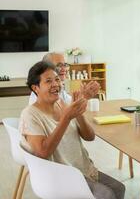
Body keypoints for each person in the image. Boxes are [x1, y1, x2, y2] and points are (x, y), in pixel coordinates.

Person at [20, 61, 125, 199]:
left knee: (119, 188)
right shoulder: (30, 114)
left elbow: (90, 137)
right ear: (36, 88)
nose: (56, 84)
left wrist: (78, 112)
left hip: (81, 168)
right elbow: (43, 152)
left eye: (57, 79)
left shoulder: (61, 103)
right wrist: (67, 117)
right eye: (48, 81)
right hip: (60, 176)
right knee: (107, 195)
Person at [29, 52, 99, 104]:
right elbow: (63, 115)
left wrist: (82, 95)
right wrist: (84, 97)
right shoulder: (42, 93)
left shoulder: (59, 86)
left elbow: (70, 103)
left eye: (65, 65)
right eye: (59, 65)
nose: (64, 69)